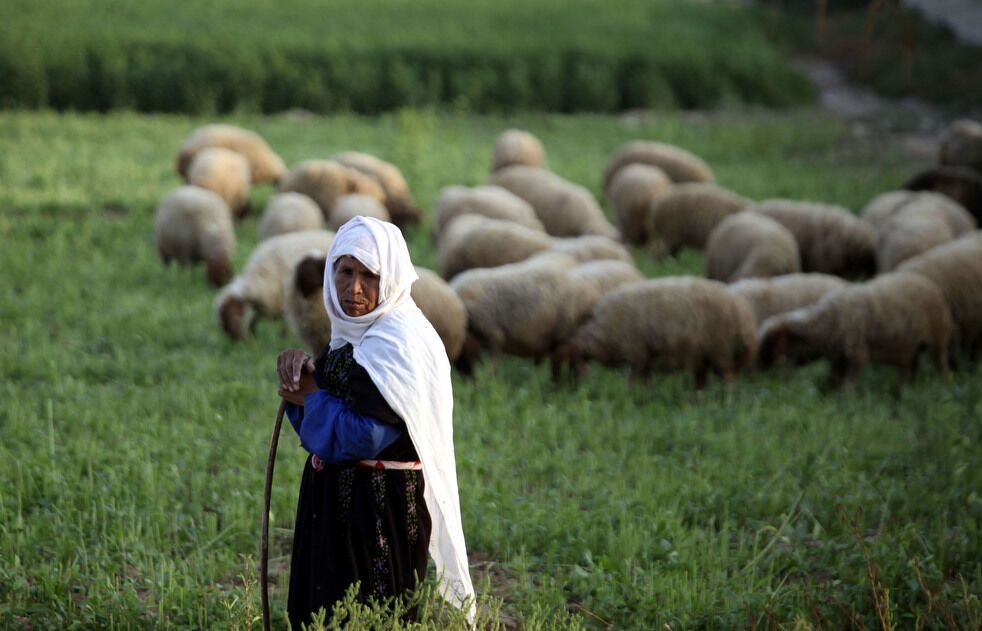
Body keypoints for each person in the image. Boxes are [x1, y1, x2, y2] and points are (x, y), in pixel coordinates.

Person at [276, 216, 474, 628]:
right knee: (324, 613)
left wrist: (312, 397)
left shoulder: (399, 343)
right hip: (332, 505)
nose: (354, 288)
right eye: (345, 272)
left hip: (379, 512)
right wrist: (300, 375)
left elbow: (366, 435)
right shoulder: (347, 337)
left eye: (370, 275)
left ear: (392, 278)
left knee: (374, 615)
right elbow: (321, 422)